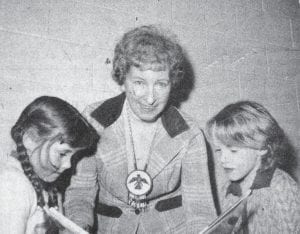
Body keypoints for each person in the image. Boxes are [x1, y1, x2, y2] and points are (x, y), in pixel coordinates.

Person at [64, 25, 216, 233]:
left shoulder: (189, 134)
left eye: (161, 84)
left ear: (172, 84)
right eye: (139, 82)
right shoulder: (93, 121)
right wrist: (79, 227)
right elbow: (81, 193)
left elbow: (200, 210)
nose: (151, 98)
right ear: (122, 80)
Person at [0, 96, 99, 234]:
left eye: (73, 156)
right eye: (63, 154)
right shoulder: (13, 185)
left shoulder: (43, 181)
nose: (69, 165)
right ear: (30, 139)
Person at [206, 100, 300, 233]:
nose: (222, 159)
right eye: (218, 150)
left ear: (262, 148)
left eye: (233, 150)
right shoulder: (228, 190)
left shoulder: (281, 188)